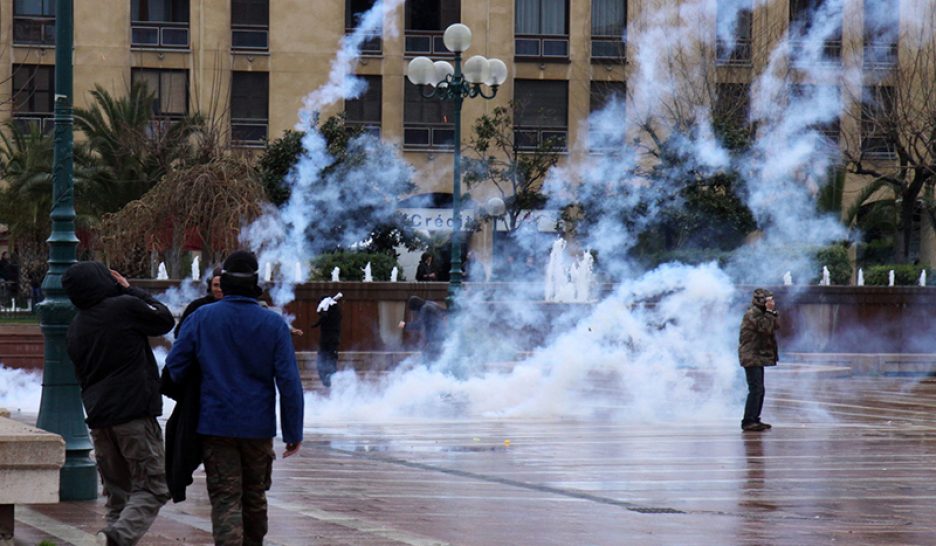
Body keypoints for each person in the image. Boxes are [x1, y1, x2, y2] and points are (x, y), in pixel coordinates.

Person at [165, 250, 304, 545]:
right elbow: (289, 382)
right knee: (254, 495)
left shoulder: (202, 318)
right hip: (258, 426)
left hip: (215, 424)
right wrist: (293, 431)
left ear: (223, 283)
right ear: (256, 285)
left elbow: (174, 368)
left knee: (226, 498)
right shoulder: (274, 324)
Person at [61, 262, 175, 546]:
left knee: (118, 494)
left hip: (101, 419)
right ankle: (117, 536)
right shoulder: (123, 307)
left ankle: (109, 538)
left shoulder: (76, 327)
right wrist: (131, 290)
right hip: (133, 414)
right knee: (154, 487)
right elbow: (164, 319)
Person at [161, 267, 222, 504]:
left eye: (223, 285)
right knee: (180, 432)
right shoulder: (198, 309)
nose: (219, 290)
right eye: (216, 285)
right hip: (198, 381)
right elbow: (181, 339)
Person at [739, 288, 779, 432]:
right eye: (768, 301)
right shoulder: (752, 314)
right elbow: (765, 329)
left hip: (757, 355)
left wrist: (771, 313)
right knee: (755, 389)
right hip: (751, 355)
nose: (771, 303)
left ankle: (755, 419)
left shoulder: (762, 313)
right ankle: (748, 421)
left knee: (759, 389)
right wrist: (769, 312)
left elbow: (775, 326)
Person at [399, 296, 446, 363]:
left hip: (435, 338)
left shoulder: (425, 308)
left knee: (428, 359)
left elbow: (419, 325)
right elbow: (444, 312)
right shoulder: (432, 304)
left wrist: (405, 325)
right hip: (441, 335)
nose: (416, 312)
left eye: (414, 309)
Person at [311, 293, 342, 387]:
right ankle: (329, 380)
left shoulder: (332, 312)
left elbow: (323, 318)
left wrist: (316, 323)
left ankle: (329, 380)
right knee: (328, 360)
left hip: (329, 341)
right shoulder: (335, 311)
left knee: (327, 360)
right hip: (331, 341)